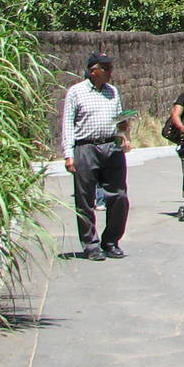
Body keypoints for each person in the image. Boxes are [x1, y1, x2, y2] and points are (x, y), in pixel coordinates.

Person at [60, 52, 132, 261]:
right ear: (94, 71)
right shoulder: (76, 92)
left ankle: (111, 241)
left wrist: (123, 132)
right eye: (106, 69)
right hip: (86, 148)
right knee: (85, 199)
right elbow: (67, 125)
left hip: (111, 146)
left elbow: (119, 120)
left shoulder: (113, 92)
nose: (111, 73)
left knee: (119, 196)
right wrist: (68, 154)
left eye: (110, 68)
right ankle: (90, 245)